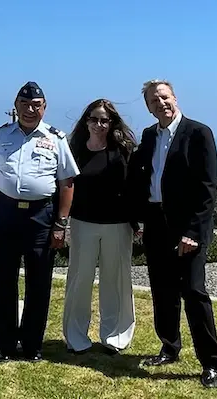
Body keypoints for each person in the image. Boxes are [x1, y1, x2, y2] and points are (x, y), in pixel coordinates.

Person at [130, 79, 217, 388]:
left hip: (188, 228)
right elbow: (143, 177)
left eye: (164, 97)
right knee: (163, 292)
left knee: (194, 293)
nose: (161, 104)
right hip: (156, 224)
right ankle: (169, 348)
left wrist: (193, 232)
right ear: (148, 107)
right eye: (153, 101)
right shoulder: (148, 135)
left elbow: (207, 189)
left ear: (174, 97)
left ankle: (210, 364)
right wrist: (139, 219)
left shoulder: (198, 133)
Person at [0, 81, 80, 362]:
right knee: (3, 281)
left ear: (44, 108)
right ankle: (6, 344)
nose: (30, 110)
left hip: (41, 217)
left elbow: (67, 182)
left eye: (36, 105)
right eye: (24, 105)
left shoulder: (56, 138)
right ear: (16, 106)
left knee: (39, 282)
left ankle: (33, 343)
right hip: (6, 215)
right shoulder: (1, 137)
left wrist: (60, 224)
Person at [63, 99, 138, 356]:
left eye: (104, 120)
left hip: (118, 225)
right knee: (79, 281)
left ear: (112, 123)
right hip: (83, 223)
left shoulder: (123, 150)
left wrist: (138, 221)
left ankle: (115, 336)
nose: (99, 124)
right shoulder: (74, 150)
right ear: (86, 121)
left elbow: (134, 187)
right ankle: (75, 336)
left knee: (116, 282)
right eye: (94, 119)